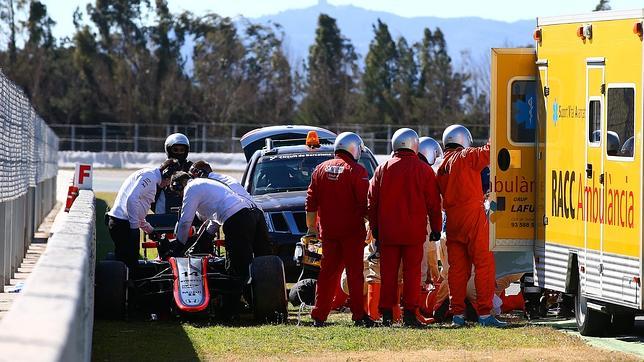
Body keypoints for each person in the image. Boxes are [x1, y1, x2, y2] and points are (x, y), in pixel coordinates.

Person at [368, 128, 442, 327]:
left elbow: (372, 201)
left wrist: (375, 228)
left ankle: (386, 316)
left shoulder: (382, 168)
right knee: (412, 274)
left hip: (388, 233)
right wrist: (436, 228)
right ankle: (410, 314)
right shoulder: (424, 170)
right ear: (414, 144)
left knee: (388, 275)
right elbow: (434, 204)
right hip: (414, 233)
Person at [435, 124, 506, 327]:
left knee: (457, 270)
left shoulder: (441, 167)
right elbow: (490, 152)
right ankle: (484, 314)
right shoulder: (465, 156)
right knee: (484, 264)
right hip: (472, 218)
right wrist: (498, 127)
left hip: (452, 222)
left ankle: (457, 314)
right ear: (463, 139)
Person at [305, 132, 374, 328]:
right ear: (353, 148)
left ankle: (319, 315)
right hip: (351, 232)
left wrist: (311, 227)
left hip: (328, 232)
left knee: (327, 274)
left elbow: (310, 202)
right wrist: (374, 226)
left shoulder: (320, 169)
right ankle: (358, 315)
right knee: (354, 274)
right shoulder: (357, 171)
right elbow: (364, 205)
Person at [165, 172, 270, 282]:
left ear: (178, 186)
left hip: (237, 219)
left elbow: (185, 222)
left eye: (177, 193)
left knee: (237, 268)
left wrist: (179, 246)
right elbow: (217, 217)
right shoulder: (207, 184)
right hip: (253, 215)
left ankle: (239, 296)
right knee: (264, 261)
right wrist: (205, 238)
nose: (180, 196)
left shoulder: (190, 188)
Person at [107, 159, 180, 272]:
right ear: (167, 174)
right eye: (170, 181)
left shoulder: (150, 177)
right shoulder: (149, 178)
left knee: (129, 263)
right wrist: (134, 227)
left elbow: (138, 212)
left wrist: (150, 231)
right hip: (122, 224)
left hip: (122, 222)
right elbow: (131, 200)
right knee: (129, 266)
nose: (168, 185)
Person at [154, 133, 193, 214]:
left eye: (182, 150)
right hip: (164, 209)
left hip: (187, 209)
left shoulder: (192, 168)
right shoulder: (163, 168)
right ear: (168, 150)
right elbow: (151, 194)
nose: (179, 153)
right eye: (175, 150)